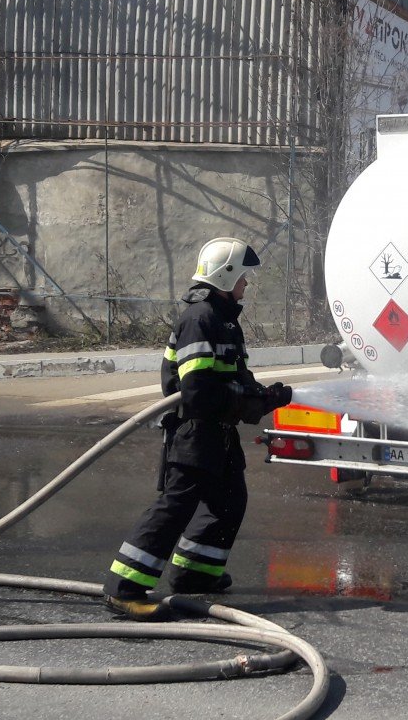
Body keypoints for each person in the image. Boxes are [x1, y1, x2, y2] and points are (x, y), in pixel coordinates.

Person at [102, 238, 293, 620]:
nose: (247, 285)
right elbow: (197, 391)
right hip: (195, 431)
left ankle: (195, 573)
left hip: (218, 432)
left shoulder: (223, 319)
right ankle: (124, 589)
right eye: (244, 278)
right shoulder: (200, 319)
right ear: (227, 276)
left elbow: (232, 375)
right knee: (175, 506)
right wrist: (246, 402)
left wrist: (262, 395)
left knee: (228, 502)